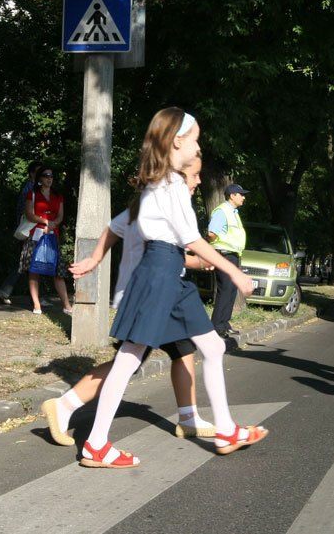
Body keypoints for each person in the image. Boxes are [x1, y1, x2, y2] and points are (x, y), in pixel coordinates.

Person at [69, 108, 267, 468]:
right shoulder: (169, 184)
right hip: (159, 272)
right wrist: (233, 273)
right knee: (129, 359)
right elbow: (191, 238)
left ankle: (226, 430)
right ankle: (96, 443)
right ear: (178, 141)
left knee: (212, 345)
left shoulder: (165, 182)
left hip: (171, 273)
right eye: (196, 140)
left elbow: (179, 241)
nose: (198, 147)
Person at [46, 157, 216, 446]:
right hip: (147, 296)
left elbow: (115, 231)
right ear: (174, 177)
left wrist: (94, 258)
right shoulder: (156, 207)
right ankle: (66, 406)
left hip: (165, 293)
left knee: (182, 350)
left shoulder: (152, 205)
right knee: (128, 361)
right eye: (194, 175)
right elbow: (160, 254)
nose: (198, 182)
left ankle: (188, 417)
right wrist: (201, 261)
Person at [14, 166, 72, 314]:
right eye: (46, 175)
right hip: (35, 235)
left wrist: (53, 224)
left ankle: (67, 305)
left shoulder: (57, 195)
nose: (49, 178)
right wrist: (46, 221)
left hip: (53, 235)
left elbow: (60, 215)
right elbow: (29, 214)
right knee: (34, 270)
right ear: (40, 178)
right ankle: (36, 305)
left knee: (58, 272)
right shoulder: (32, 194)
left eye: (51, 176)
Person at [207, 183, 249, 337]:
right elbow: (211, 233)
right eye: (241, 194)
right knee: (225, 289)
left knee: (231, 290)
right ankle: (217, 326)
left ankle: (224, 323)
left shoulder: (233, 212)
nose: (244, 197)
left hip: (233, 255)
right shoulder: (222, 211)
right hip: (224, 255)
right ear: (232, 195)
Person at [0, 162, 41, 305]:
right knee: (25, 262)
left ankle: (34, 297)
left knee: (27, 262)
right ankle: (5, 291)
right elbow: (24, 213)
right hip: (30, 231)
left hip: (27, 230)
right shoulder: (30, 189)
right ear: (32, 173)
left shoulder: (31, 188)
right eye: (40, 173)